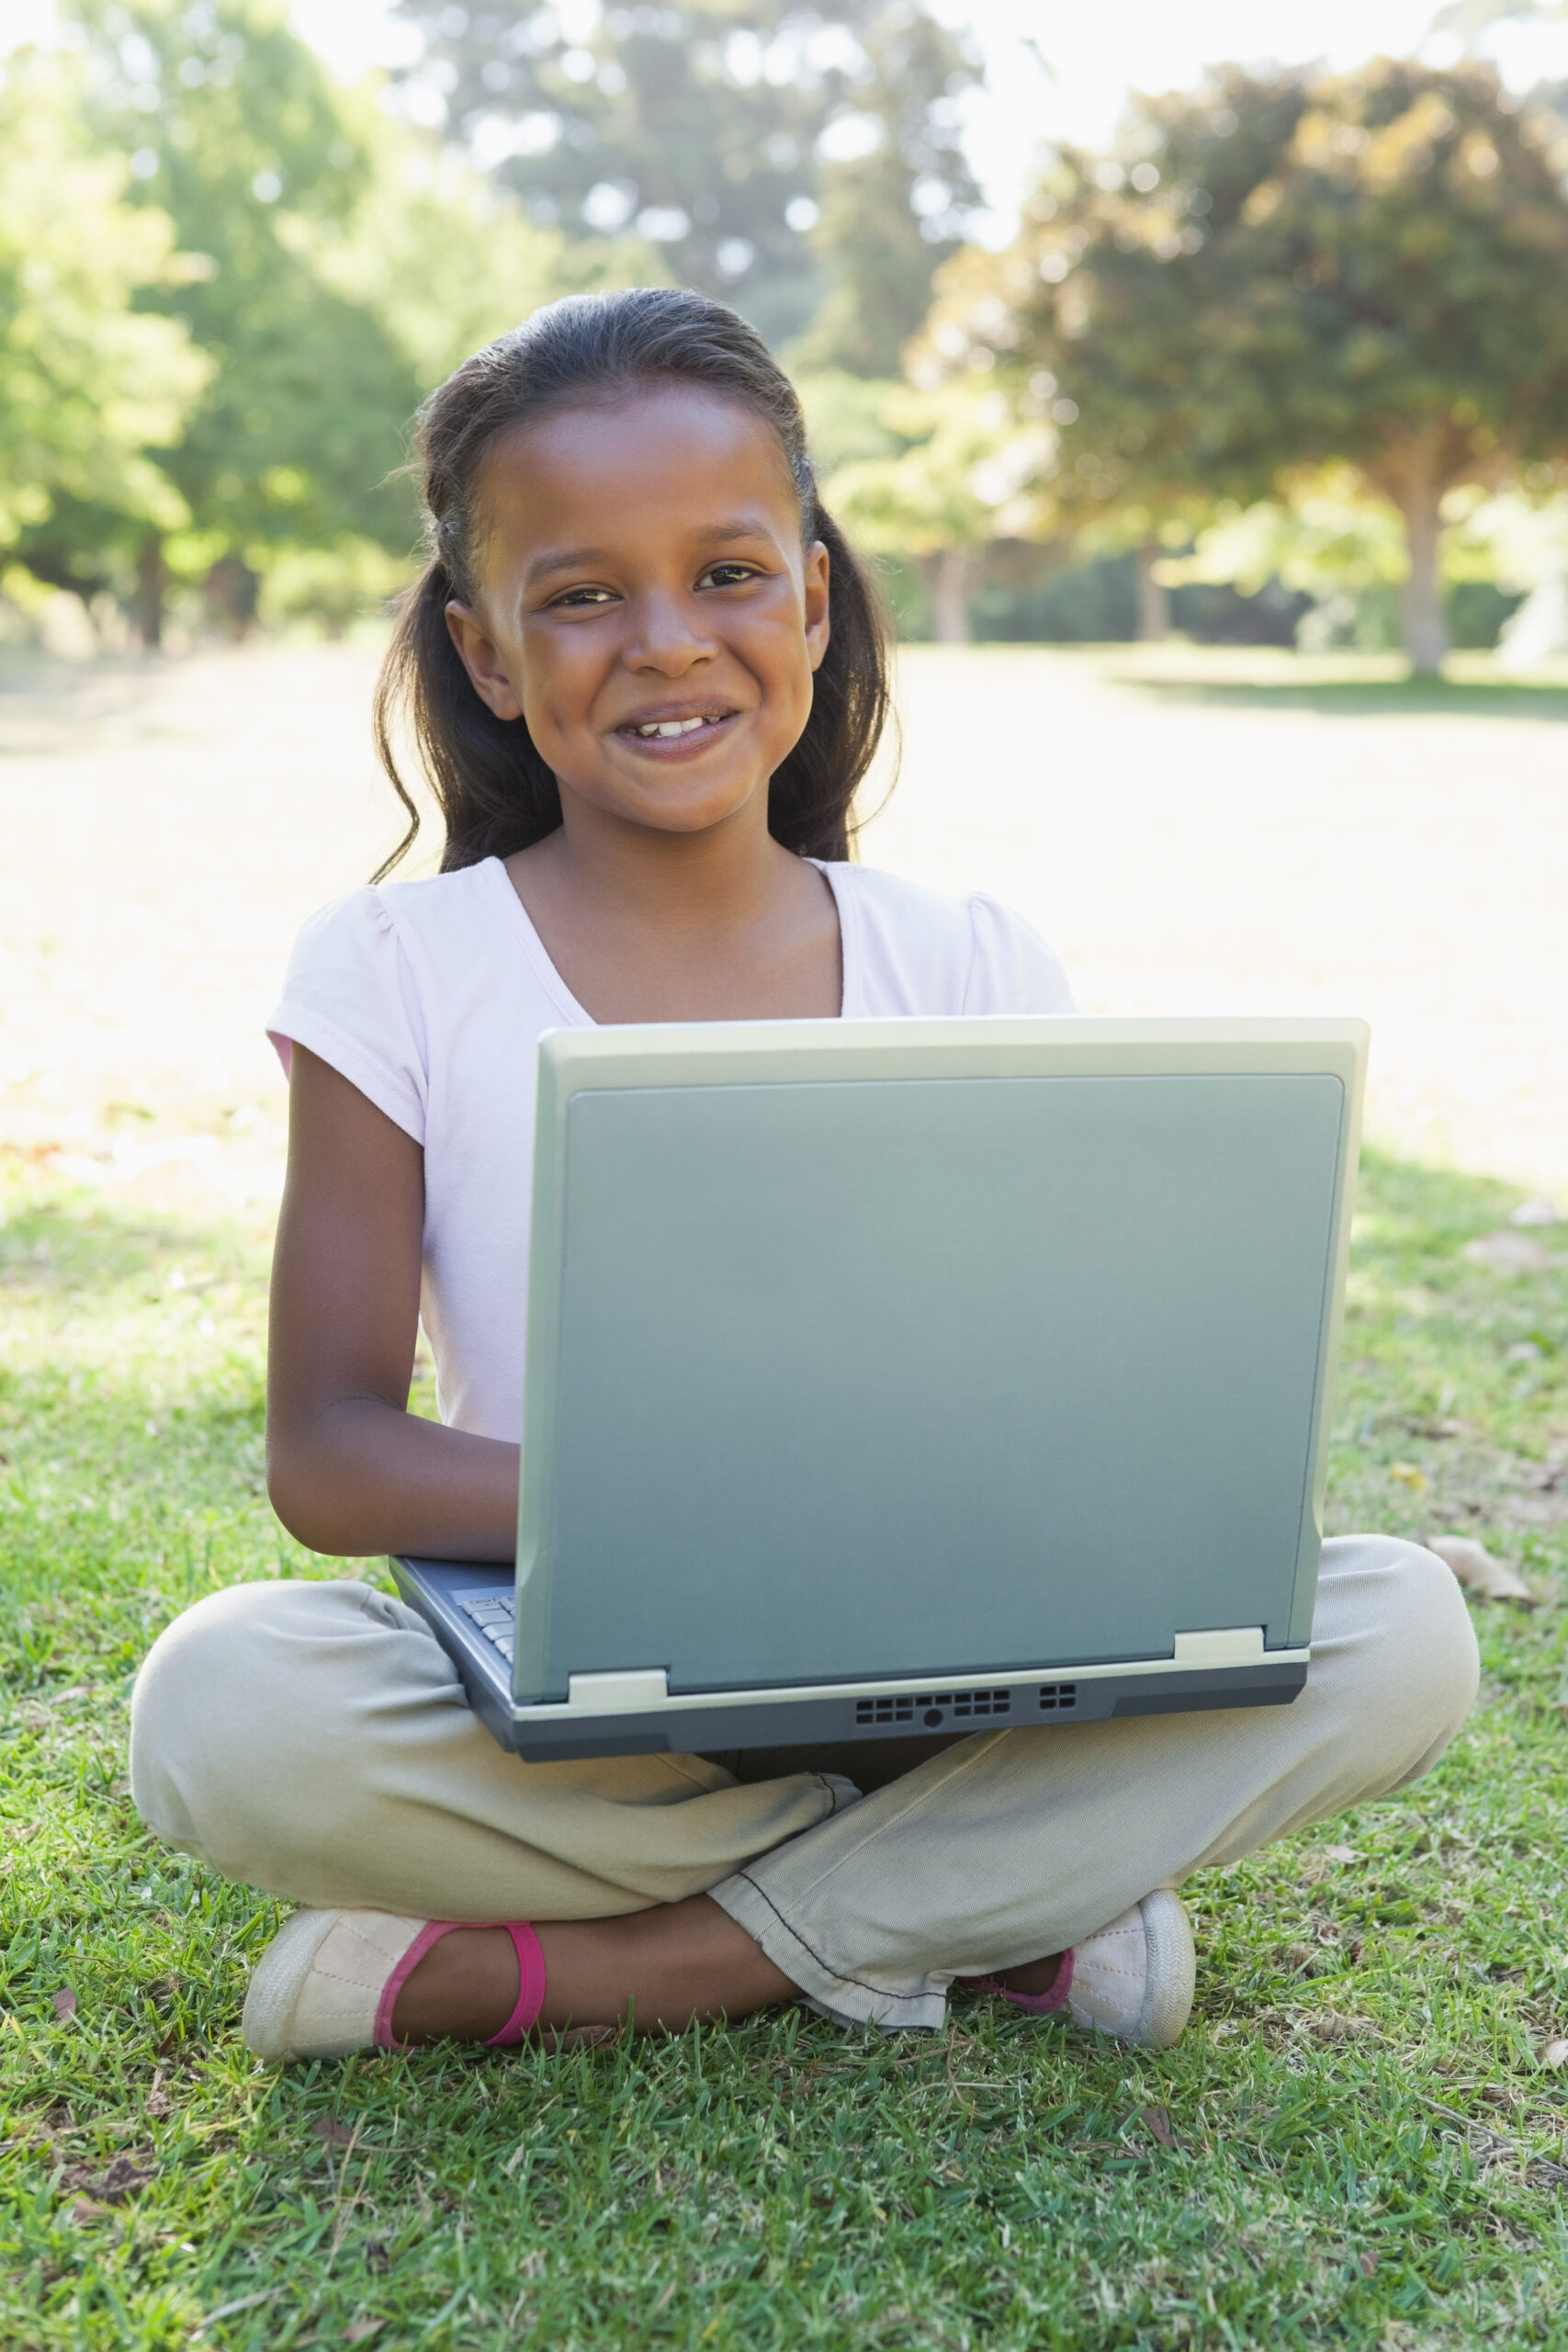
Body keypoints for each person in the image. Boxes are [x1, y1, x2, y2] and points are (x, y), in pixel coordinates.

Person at [128, 288, 1478, 2065]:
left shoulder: (972, 957)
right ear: (486, 654)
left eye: (731, 573)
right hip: (592, 1691)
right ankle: (996, 1911)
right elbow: (332, 1458)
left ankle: (640, 1964)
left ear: (817, 600)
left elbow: (1053, 1395)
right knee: (223, 1700)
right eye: (584, 595)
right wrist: (693, 1513)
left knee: (1405, 1627)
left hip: (962, 1678)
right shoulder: (392, 970)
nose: (668, 641)